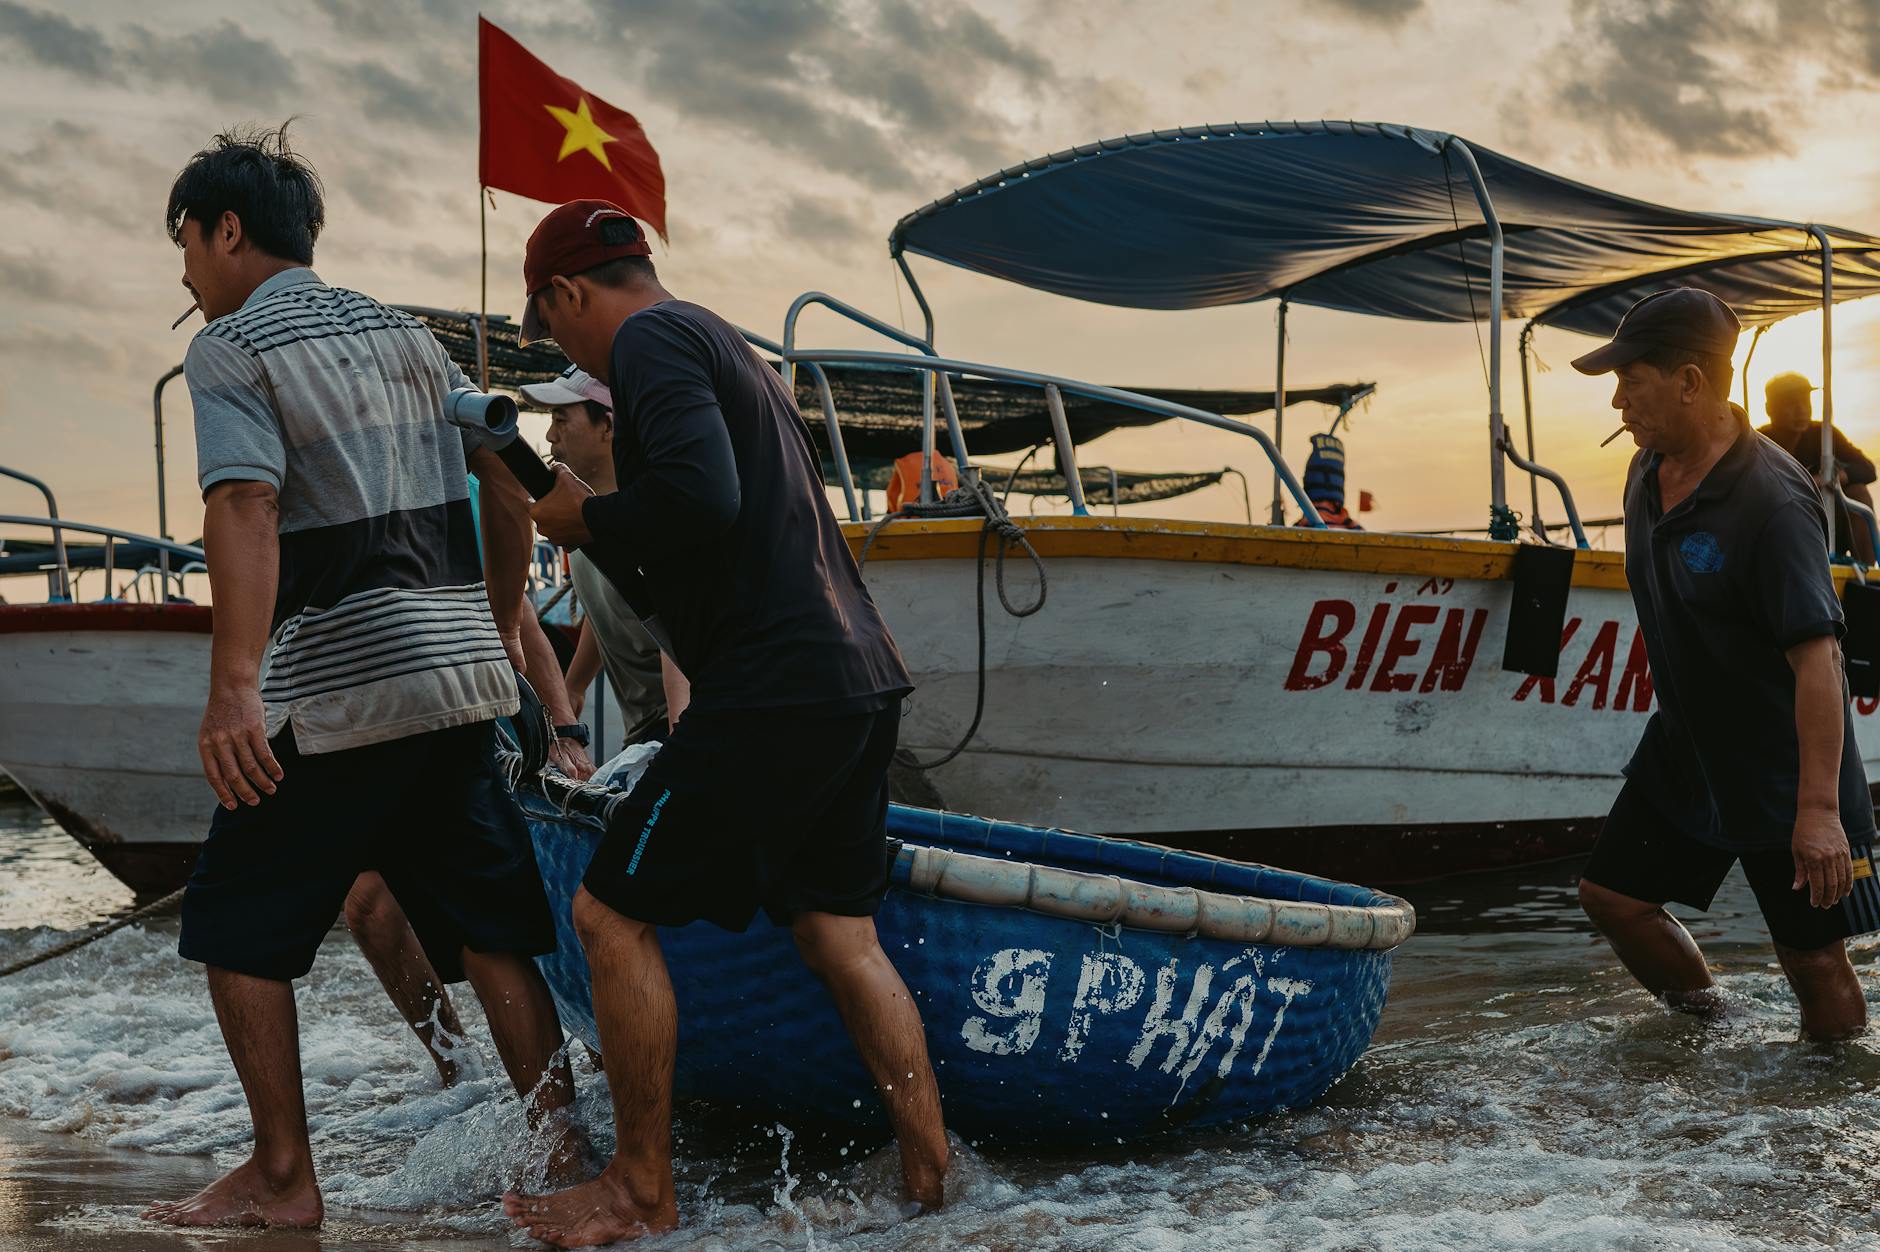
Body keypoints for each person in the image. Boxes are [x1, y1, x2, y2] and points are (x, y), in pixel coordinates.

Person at [143, 126, 585, 1230]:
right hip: (455, 683)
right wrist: (493, 618)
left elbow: (243, 500)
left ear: (228, 231)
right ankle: (563, 1146)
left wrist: (234, 687)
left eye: (186, 245)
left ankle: (283, 1175)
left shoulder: (231, 348)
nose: (186, 275)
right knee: (493, 926)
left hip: (337, 688)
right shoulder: (408, 336)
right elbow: (510, 478)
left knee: (235, 926)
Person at [502, 199, 948, 1246]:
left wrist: (583, 518)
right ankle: (931, 1175)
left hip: (774, 685)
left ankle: (637, 1191)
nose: (563, 353)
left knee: (609, 915)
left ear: (566, 291)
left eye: (549, 325)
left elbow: (702, 499)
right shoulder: (724, 344)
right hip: (855, 676)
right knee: (837, 932)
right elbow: (718, 522)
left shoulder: (649, 342)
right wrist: (599, 522)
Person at [1571, 287, 1872, 1042]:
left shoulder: (1773, 502)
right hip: (1689, 748)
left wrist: (1819, 812)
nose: (1618, 401)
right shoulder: (1645, 470)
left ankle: (1830, 1091)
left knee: (1811, 958)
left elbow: (1820, 659)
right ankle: (1718, 1030)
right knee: (1613, 898)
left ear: (1689, 382)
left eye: (1630, 381)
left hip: (1782, 764)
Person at [520, 368, 683, 747]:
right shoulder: (584, 521)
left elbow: (676, 637)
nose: (550, 435)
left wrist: (682, 742)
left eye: (562, 420)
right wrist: (574, 686)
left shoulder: (645, 522)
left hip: (677, 721)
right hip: (644, 728)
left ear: (608, 427)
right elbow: (613, 603)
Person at [1758, 370, 1878, 564]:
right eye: (1791, 402)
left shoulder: (1823, 433)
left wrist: (1834, 477)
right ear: (1770, 408)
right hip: (1783, 530)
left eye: (1805, 400)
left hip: (1827, 527)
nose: (1801, 409)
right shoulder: (1758, 442)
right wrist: (1809, 483)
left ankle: (1867, 574)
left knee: (1858, 492)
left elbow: (1867, 469)